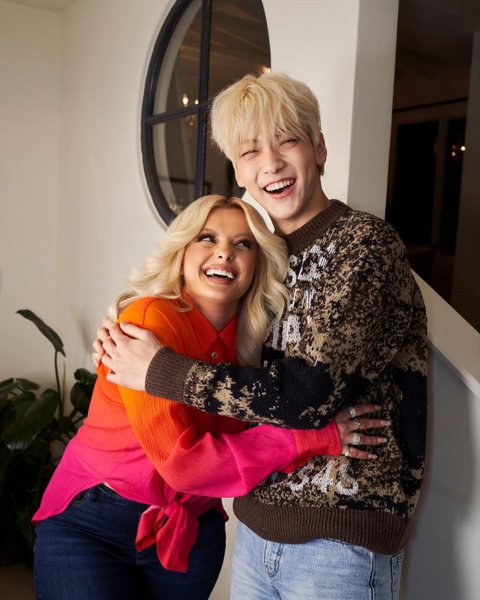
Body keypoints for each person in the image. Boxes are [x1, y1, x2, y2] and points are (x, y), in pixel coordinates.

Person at [98, 72, 428, 600]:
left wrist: (159, 370)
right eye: (251, 150)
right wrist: (129, 329)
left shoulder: (363, 245)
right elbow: (215, 339)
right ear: (239, 171)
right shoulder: (263, 257)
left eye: (287, 140)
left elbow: (307, 396)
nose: (270, 163)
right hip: (256, 528)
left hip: (340, 536)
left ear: (319, 149)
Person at [33, 194, 387, 600]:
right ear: (181, 251)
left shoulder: (257, 342)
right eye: (207, 238)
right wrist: (309, 438)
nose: (224, 253)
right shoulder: (149, 321)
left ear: (257, 263)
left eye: (243, 243)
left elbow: (290, 407)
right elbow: (182, 465)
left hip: (191, 529)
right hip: (93, 524)